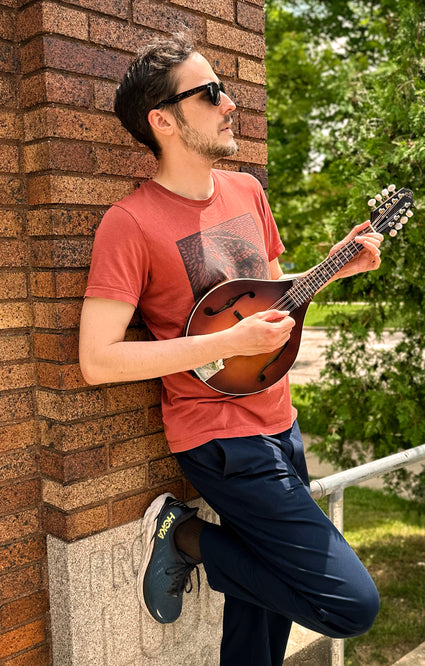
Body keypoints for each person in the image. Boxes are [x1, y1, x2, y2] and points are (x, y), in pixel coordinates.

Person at [79, 31, 382, 666]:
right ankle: (187, 537)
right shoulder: (129, 223)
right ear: (163, 120)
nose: (230, 104)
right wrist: (226, 341)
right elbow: (98, 358)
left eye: (226, 90)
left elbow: (272, 300)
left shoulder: (247, 191)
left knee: (261, 623)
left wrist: (333, 268)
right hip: (218, 440)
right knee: (350, 604)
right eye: (211, 92)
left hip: (280, 421)